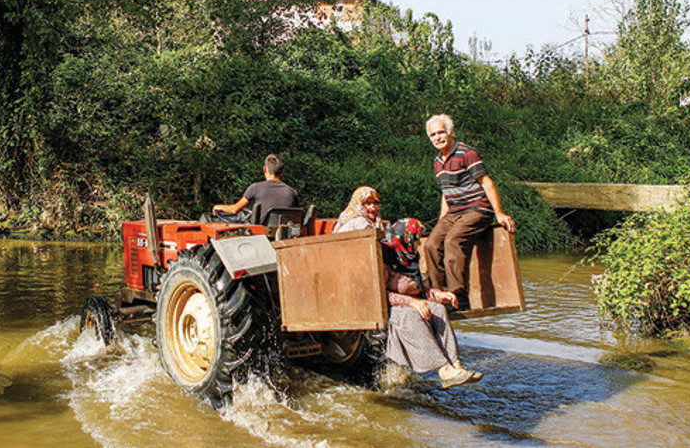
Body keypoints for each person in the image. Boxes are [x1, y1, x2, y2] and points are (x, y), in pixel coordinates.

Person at [333, 186, 482, 389]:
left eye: (376, 203)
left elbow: (418, 287)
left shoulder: (403, 255)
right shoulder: (369, 239)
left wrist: (438, 295)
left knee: (437, 309)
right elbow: (378, 292)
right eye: (367, 203)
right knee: (412, 315)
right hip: (376, 300)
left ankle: (454, 364)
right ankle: (443, 369)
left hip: (394, 298)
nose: (373, 207)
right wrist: (412, 302)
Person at [422, 114, 515, 310]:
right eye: (433, 135)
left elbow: (486, 182)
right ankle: (438, 293)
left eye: (441, 132)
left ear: (450, 132)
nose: (437, 137)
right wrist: (441, 222)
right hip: (455, 212)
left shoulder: (467, 153)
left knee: (453, 241)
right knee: (431, 244)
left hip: (477, 209)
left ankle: (459, 296)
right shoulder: (438, 161)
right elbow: (445, 194)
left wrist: (499, 213)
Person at [212, 154, 299, 223]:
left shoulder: (255, 188)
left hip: (261, 235)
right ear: (283, 172)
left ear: (265, 169)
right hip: (284, 235)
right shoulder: (292, 192)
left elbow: (234, 209)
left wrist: (218, 207)